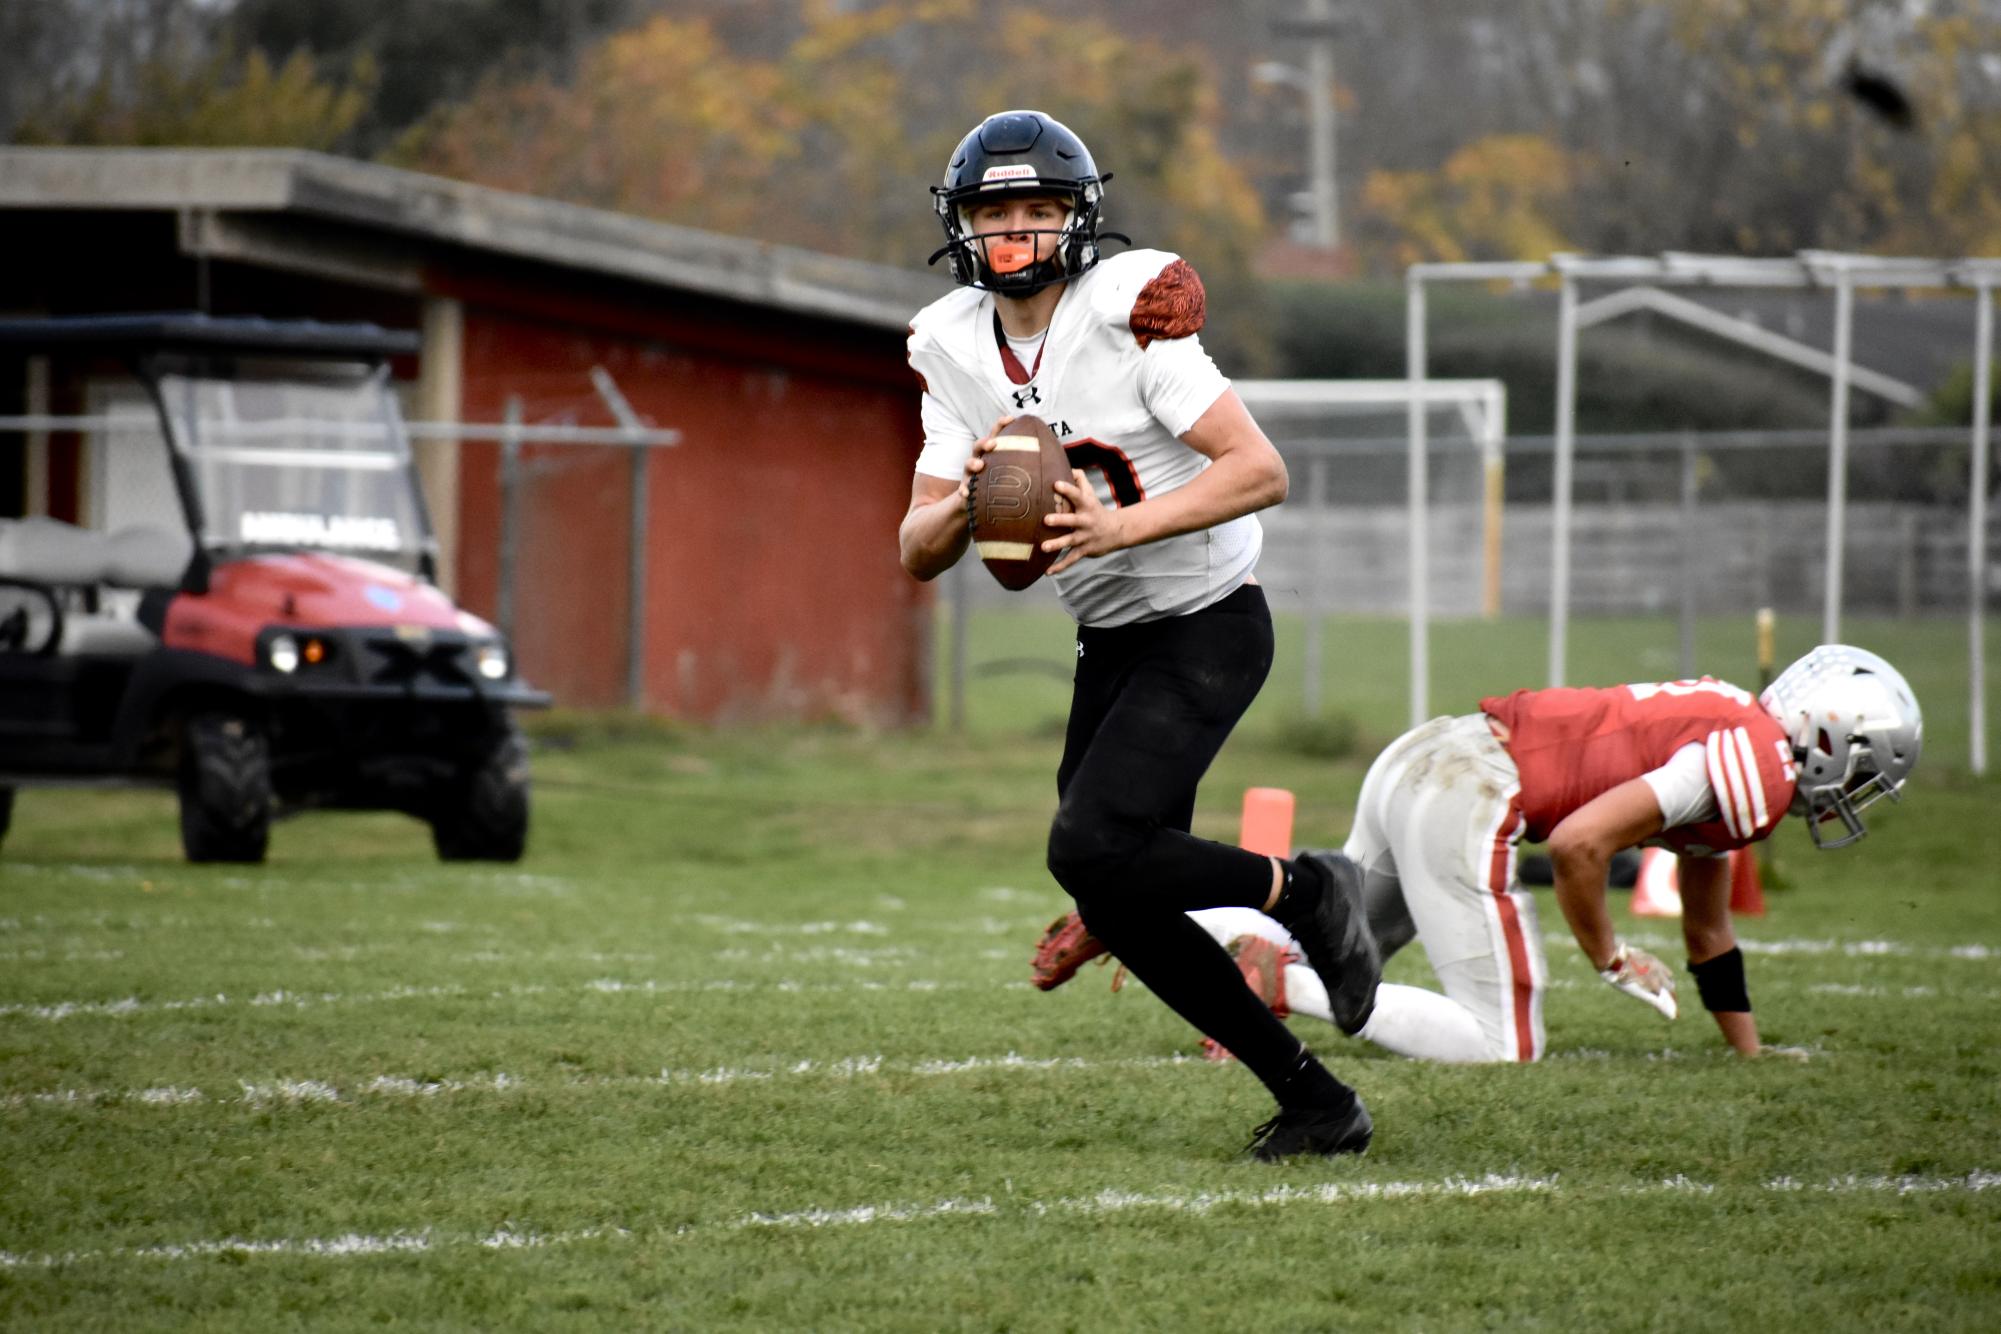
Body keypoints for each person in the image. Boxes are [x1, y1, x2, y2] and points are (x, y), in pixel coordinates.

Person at [899, 109, 1380, 1160]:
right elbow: (914, 547)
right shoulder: (946, 343)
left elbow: (1261, 469)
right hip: (1111, 639)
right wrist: (968, 502)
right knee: (1112, 879)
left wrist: (1121, 523)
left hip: (1208, 618)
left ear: (1078, 219)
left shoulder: (1128, 310)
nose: (1017, 228)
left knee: (1085, 846)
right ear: (960, 224)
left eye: (1038, 207)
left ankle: (1308, 888)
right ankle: (1315, 1101)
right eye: (995, 209)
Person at [1034, 644, 1923, 1063]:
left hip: (1429, 754)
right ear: (1834, 745)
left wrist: (1749, 1055)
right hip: (1474, 787)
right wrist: (1607, 956)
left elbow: (1707, 930)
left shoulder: (1737, 728)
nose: (1852, 793)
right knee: (1503, 1044)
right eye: (1862, 774)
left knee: (1343, 938)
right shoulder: (1759, 767)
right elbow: (1580, 844)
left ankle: (1142, 906)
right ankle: (1278, 988)